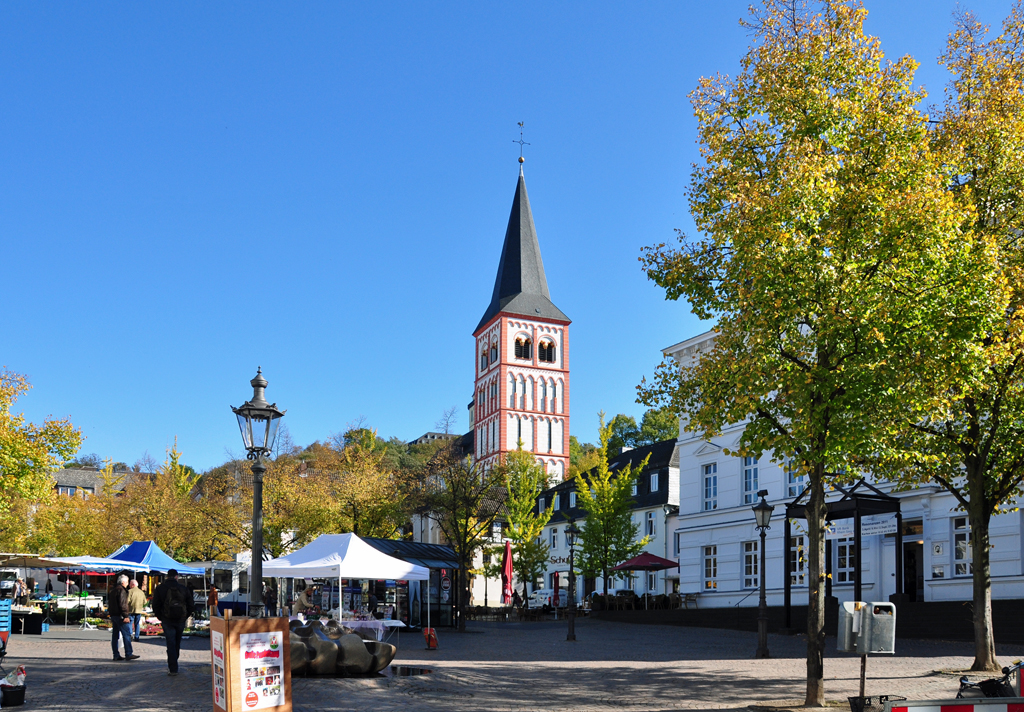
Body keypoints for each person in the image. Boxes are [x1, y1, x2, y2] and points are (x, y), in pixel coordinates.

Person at [152, 569, 195, 676]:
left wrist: (160, 616)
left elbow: (155, 605)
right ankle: (174, 662)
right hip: (180, 619)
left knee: (170, 643)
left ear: (167, 577)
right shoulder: (183, 588)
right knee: (177, 642)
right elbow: (191, 605)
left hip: (167, 620)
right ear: (177, 577)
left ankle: (173, 668)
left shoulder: (160, 588)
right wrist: (185, 616)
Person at [108, 574, 139, 661]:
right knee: (126, 635)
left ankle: (116, 654)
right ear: (123, 582)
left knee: (115, 636)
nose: (127, 584)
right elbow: (123, 604)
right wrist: (126, 615)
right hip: (120, 616)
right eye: (127, 582)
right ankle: (128, 653)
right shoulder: (122, 590)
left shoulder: (113, 590)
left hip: (114, 615)